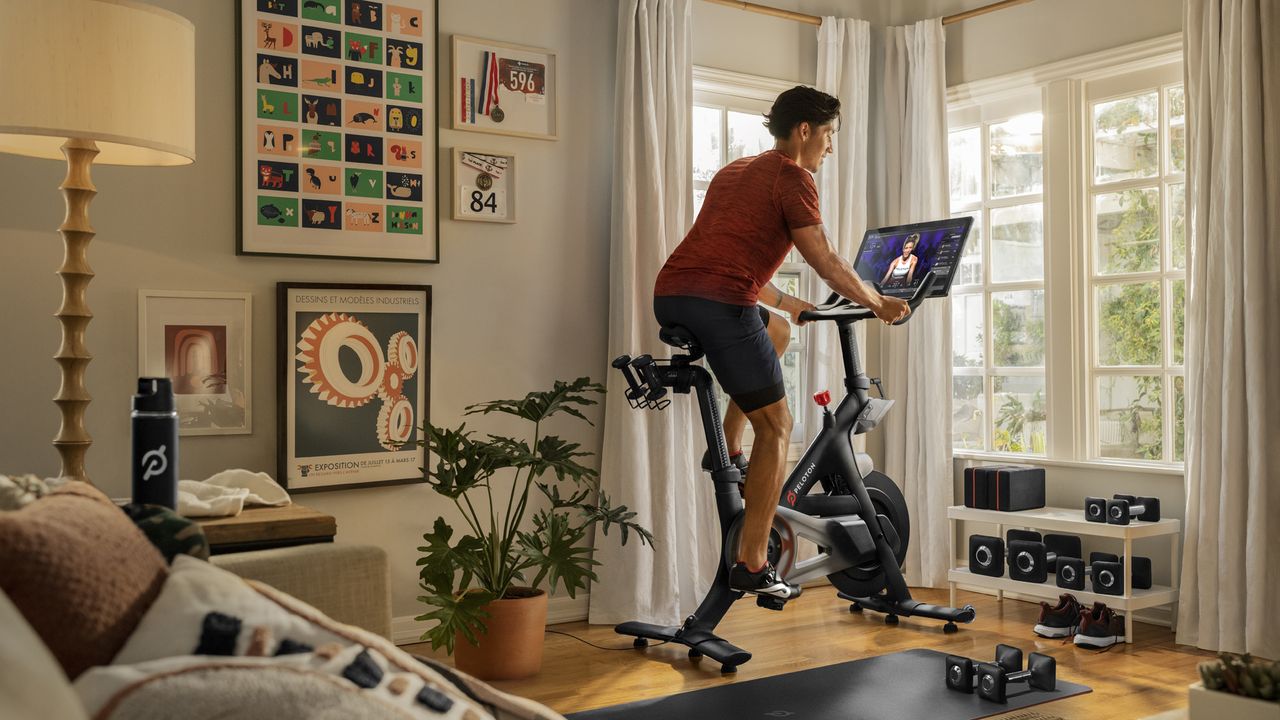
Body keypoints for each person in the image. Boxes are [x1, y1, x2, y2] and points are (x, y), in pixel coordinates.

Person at [652, 86, 910, 600]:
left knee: (777, 330)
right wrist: (879, 303)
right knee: (780, 424)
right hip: (721, 303)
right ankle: (751, 561)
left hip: (673, 293)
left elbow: (722, 255)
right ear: (806, 130)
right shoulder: (795, 177)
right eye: (830, 135)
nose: (830, 148)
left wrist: (788, 303)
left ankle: (729, 444)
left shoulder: (734, 171)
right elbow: (829, 260)